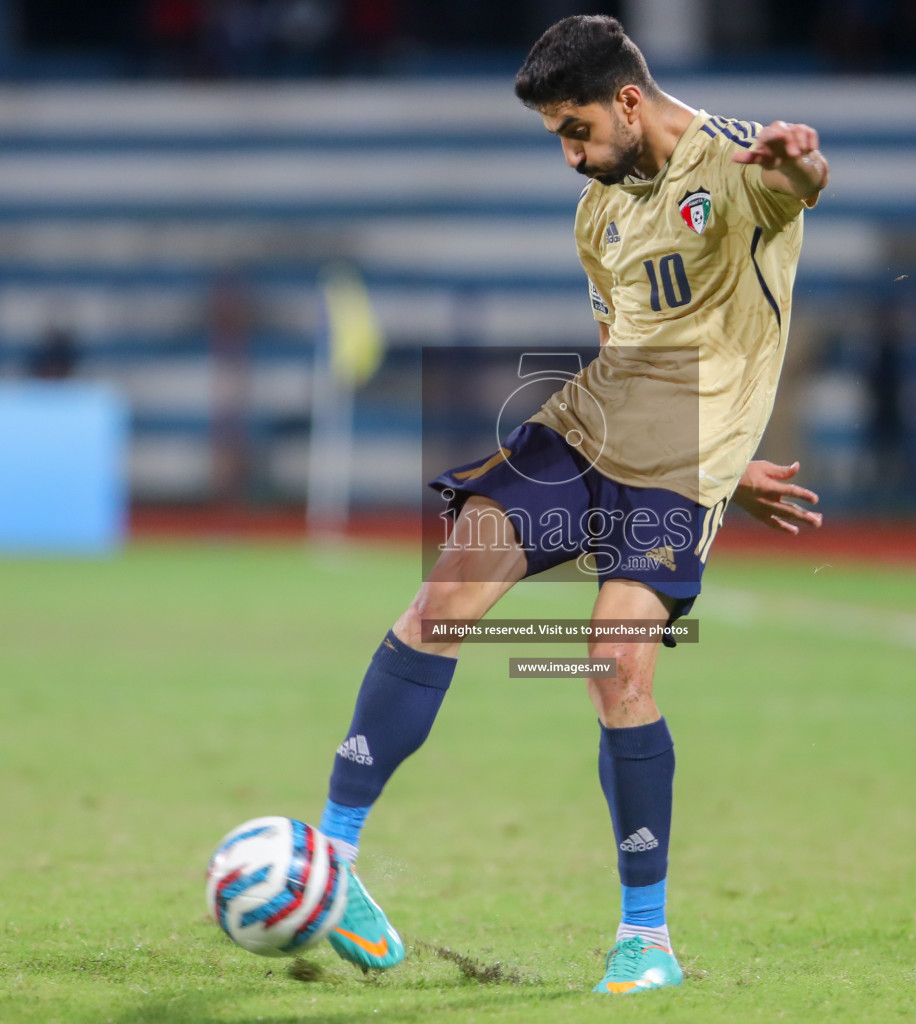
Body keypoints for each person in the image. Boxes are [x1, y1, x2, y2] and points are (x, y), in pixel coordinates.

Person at [311, 14, 828, 994]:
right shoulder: (598, 214)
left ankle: (647, 940)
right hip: (589, 430)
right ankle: (333, 860)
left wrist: (802, 162)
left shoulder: (734, 167)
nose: (568, 154)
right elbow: (630, 345)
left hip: (677, 473)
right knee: (443, 600)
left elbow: (797, 186)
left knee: (615, 667)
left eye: (575, 129)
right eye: (557, 134)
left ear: (627, 100)